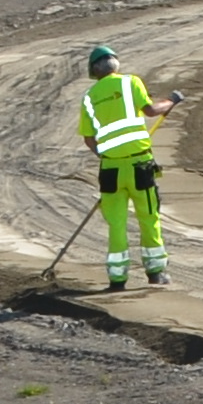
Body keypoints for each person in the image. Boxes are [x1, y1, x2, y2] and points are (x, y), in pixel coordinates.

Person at [77, 44, 168, 290]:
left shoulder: (89, 97)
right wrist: (171, 101)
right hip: (139, 164)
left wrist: (107, 156)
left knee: (116, 223)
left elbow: (88, 138)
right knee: (149, 217)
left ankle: (117, 279)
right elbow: (150, 110)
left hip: (110, 170)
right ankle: (156, 273)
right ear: (115, 63)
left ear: (94, 71)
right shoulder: (131, 83)